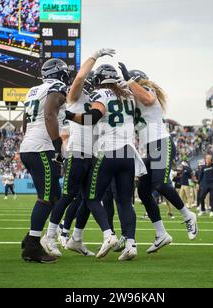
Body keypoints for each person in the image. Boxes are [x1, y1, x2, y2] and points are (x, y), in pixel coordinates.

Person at [66, 64, 145, 261]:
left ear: (99, 79)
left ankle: (108, 234)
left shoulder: (100, 94)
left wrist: (68, 115)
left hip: (107, 152)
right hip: (128, 153)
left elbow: (91, 118)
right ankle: (131, 244)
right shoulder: (127, 95)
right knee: (126, 202)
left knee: (91, 197)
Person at [41, 49, 116, 258]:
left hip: (91, 153)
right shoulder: (73, 95)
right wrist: (95, 55)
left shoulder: (93, 98)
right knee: (68, 197)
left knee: (88, 198)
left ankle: (76, 239)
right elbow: (81, 76)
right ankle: (49, 236)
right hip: (78, 151)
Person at [117, 64, 198, 254]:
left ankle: (188, 216)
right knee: (144, 191)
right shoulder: (131, 100)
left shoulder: (147, 89)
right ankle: (161, 234)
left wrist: (128, 81)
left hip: (161, 142)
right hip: (150, 149)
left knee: (160, 184)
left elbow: (147, 99)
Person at [19, 58, 69, 264]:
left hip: (29, 146)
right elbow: (49, 115)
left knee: (55, 196)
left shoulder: (33, 90)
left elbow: (24, 123)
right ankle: (32, 245)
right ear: (60, 74)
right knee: (46, 197)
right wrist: (57, 146)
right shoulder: (57, 87)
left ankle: (30, 237)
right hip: (42, 148)